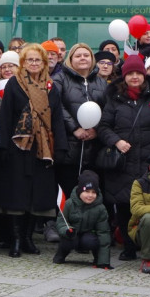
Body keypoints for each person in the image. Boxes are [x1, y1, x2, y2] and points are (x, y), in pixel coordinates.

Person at [97, 55, 150, 261]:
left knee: (148, 204)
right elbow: (103, 127)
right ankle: (129, 246)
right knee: (123, 206)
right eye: (130, 73)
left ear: (144, 75)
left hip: (147, 162)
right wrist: (116, 141)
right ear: (124, 76)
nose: (134, 77)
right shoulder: (114, 99)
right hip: (123, 163)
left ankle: (148, 245)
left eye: (138, 73)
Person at [0, 42, 68, 258]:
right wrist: (3, 147)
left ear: (44, 63)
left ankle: (28, 238)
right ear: (23, 63)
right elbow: (6, 116)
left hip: (42, 148)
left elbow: (57, 119)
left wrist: (61, 147)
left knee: (36, 195)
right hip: (18, 147)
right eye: (30, 60)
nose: (34, 63)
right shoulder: (14, 84)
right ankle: (16, 239)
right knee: (17, 194)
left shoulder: (51, 87)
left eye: (38, 60)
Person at [53, 42, 108, 201]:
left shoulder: (102, 83)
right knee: (68, 193)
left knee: (92, 194)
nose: (82, 58)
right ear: (71, 59)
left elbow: (108, 110)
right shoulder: (59, 80)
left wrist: (96, 129)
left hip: (94, 149)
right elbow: (56, 106)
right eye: (78, 55)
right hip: (69, 148)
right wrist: (75, 128)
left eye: (86, 55)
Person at [53, 171, 112, 268]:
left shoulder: (100, 208)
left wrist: (104, 261)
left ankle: (97, 258)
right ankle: (61, 255)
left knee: (91, 241)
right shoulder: (69, 203)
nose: (90, 195)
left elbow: (103, 233)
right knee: (68, 240)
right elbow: (61, 221)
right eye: (87, 191)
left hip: (88, 234)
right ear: (80, 191)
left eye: (93, 192)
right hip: (72, 233)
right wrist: (67, 230)